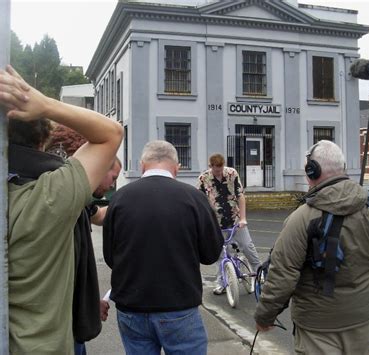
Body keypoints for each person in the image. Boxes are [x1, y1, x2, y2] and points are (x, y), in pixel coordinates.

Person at [1, 65, 123, 354]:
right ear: (43, 140)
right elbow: (110, 133)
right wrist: (44, 103)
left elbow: (97, 214)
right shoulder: (49, 197)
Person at [254, 140, 369, 354]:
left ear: (312, 171)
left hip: (318, 328)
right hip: (363, 320)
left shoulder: (301, 218)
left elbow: (282, 275)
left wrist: (264, 316)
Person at [103, 140, 223, 354]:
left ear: (142, 166)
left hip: (131, 306)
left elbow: (111, 257)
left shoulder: (119, 198)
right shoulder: (194, 198)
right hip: (178, 305)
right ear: (176, 167)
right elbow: (211, 253)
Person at [73, 157, 122, 355]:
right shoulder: (69, 201)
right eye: (113, 177)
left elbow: (99, 215)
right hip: (64, 324)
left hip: (75, 320)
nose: (113, 184)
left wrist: (128, 202)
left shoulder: (82, 201)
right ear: (100, 168)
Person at [197, 153, 260, 295]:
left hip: (235, 220)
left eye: (220, 170)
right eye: (215, 170)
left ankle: (260, 274)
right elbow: (200, 202)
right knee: (220, 255)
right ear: (210, 166)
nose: (218, 173)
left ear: (223, 165)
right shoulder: (203, 179)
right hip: (216, 223)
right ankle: (222, 283)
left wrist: (243, 218)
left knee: (247, 246)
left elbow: (240, 196)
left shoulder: (232, 173)